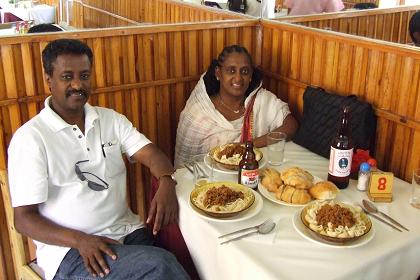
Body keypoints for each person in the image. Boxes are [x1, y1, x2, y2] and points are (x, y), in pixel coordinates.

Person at [7, 39, 189, 280]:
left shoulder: (110, 120)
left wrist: (167, 180)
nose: (77, 84)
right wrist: (80, 240)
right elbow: (24, 220)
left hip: (126, 232)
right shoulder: (31, 138)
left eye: (84, 75)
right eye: (67, 77)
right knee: (162, 266)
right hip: (71, 252)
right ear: (48, 79)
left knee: (179, 256)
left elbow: (151, 153)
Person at [174, 45, 298, 168]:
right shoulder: (199, 111)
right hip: (210, 183)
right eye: (231, 70)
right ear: (218, 73)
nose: (238, 78)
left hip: (252, 176)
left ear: (250, 76)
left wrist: (248, 146)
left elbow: (291, 125)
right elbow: (185, 168)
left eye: (244, 71)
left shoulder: (260, 101)